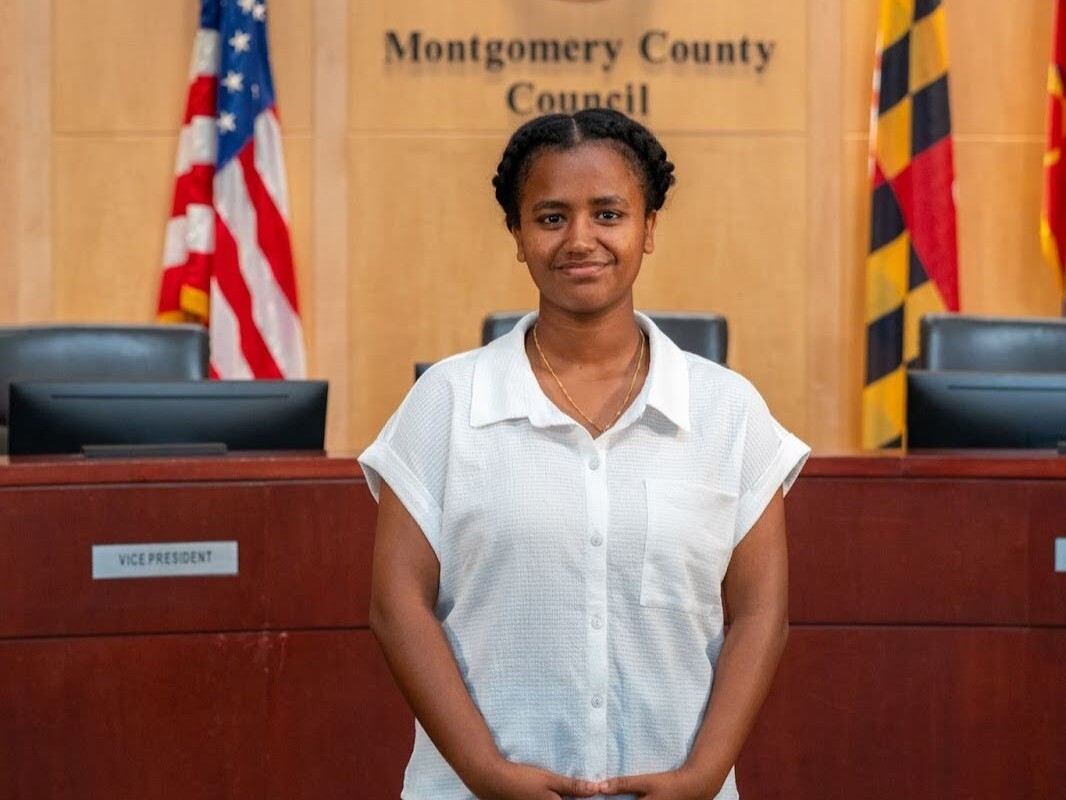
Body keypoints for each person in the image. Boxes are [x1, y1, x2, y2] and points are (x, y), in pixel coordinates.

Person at [359, 108, 810, 800]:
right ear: (516, 234)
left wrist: (702, 776)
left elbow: (759, 614)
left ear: (648, 228)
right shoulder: (446, 401)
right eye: (549, 217)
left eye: (608, 213)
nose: (580, 239)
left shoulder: (728, 410)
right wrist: (486, 773)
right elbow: (397, 606)